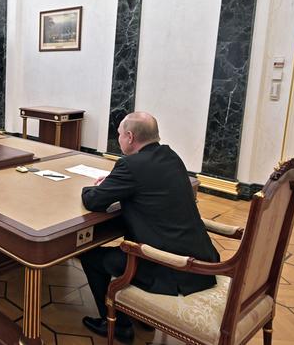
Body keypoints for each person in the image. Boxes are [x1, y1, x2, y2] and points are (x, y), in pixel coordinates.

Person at [79, 112, 219, 342]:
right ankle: (141, 316)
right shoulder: (171, 156)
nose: (119, 139)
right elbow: (149, 184)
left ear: (130, 136)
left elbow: (94, 201)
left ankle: (117, 324)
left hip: (169, 266)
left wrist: (90, 188)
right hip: (201, 256)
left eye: (120, 135)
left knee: (91, 257)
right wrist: (115, 180)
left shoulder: (130, 165)